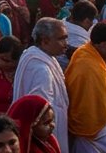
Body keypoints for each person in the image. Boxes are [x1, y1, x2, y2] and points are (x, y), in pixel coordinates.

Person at [12, 19, 69, 153]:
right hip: (45, 137)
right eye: (61, 39)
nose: (66, 44)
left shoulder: (33, 55)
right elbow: (40, 114)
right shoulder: (41, 70)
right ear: (45, 41)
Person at [66, 22, 106, 153]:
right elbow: (90, 104)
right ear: (96, 44)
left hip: (100, 123)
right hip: (89, 128)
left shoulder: (85, 51)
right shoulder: (89, 66)